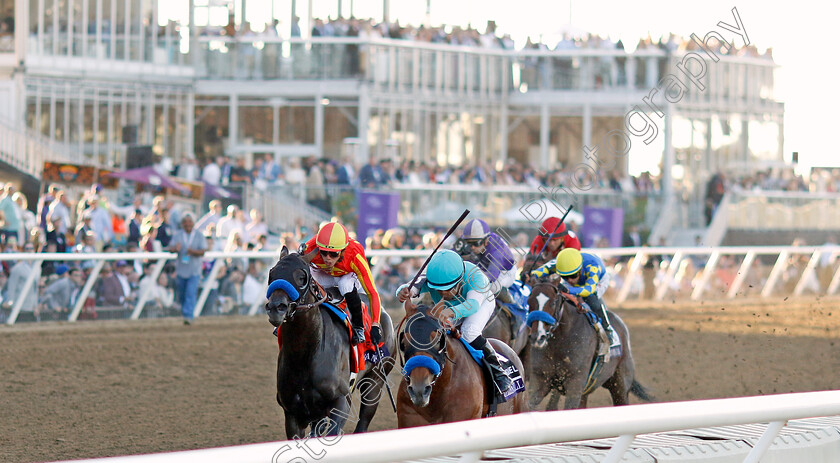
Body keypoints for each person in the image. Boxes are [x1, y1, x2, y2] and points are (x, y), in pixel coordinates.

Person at [396, 250, 513, 402]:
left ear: (459, 281)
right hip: (450, 307)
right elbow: (410, 288)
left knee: (469, 332)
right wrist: (403, 292)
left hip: (481, 303)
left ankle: (499, 373)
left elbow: (472, 305)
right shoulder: (433, 277)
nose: (443, 293)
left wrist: (450, 311)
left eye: (447, 289)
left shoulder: (477, 278)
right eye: (438, 289)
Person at [299, 222, 382, 346]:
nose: (328, 258)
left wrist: (375, 324)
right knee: (304, 277)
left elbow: (372, 293)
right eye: (324, 252)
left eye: (333, 254)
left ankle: (358, 327)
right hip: (324, 274)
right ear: (318, 248)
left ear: (343, 251)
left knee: (345, 284)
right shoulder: (309, 249)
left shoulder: (355, 255)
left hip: (346, 276)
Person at [528, 248, 620, 348]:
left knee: (591, 299)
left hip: (597, 282)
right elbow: (542, 270)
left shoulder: (592, 267)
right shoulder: (559, 264)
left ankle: (608, 329)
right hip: (579, 284)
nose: (570, 280)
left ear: (580, 269)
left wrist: (569, 291)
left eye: (573, 275)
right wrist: (529, 275)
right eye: (565, 276)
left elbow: (588, 290)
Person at [455, 219, 520, 304]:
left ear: (487, 240)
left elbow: (491, 277)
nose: (472, 247)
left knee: (491, 287)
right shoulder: (465, 239)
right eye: (469, 243)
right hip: (482, 265)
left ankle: (507, 296)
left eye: (476, 243)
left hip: (504, 272)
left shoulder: (497, 249)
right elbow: (451, 254)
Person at [167, 213, 207, 325]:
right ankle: (185, 313)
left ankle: (188, 315)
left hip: (194, 270)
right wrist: (175, 249)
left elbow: (203, 251)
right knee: (183, 293)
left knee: (191, 292)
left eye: (189, 222)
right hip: (181, 270)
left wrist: (192, 251)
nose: (187, 224)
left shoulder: (199, 235)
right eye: (185, 222)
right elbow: (171, 248)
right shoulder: (178, 235)